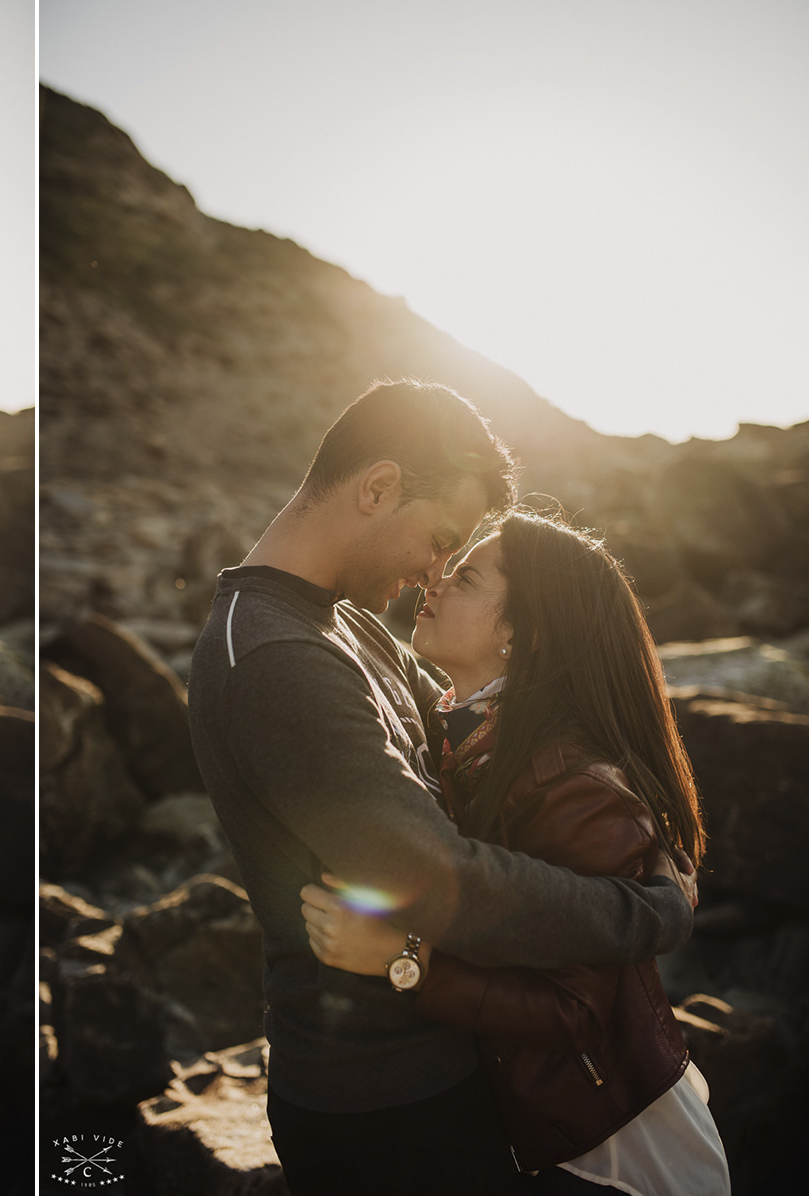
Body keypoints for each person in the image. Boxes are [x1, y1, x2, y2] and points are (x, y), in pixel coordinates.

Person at [186, 380, 695, 1195]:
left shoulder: (342, 623)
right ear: (377, 487)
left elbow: (495, 728)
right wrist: (645, 913)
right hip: (379, 1104)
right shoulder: (277, 658)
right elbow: (437, 876)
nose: (435, 572)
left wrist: (639, 823)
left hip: (442, 1062)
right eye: (440, 539)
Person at [300, 510, 728, 1194]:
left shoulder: (571, 784)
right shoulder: (465, 735)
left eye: (465, 576)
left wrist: (403, 962)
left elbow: (575, 1013)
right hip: (551, 1132)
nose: (435, 580)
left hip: (613, 1152)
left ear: (517, 635)